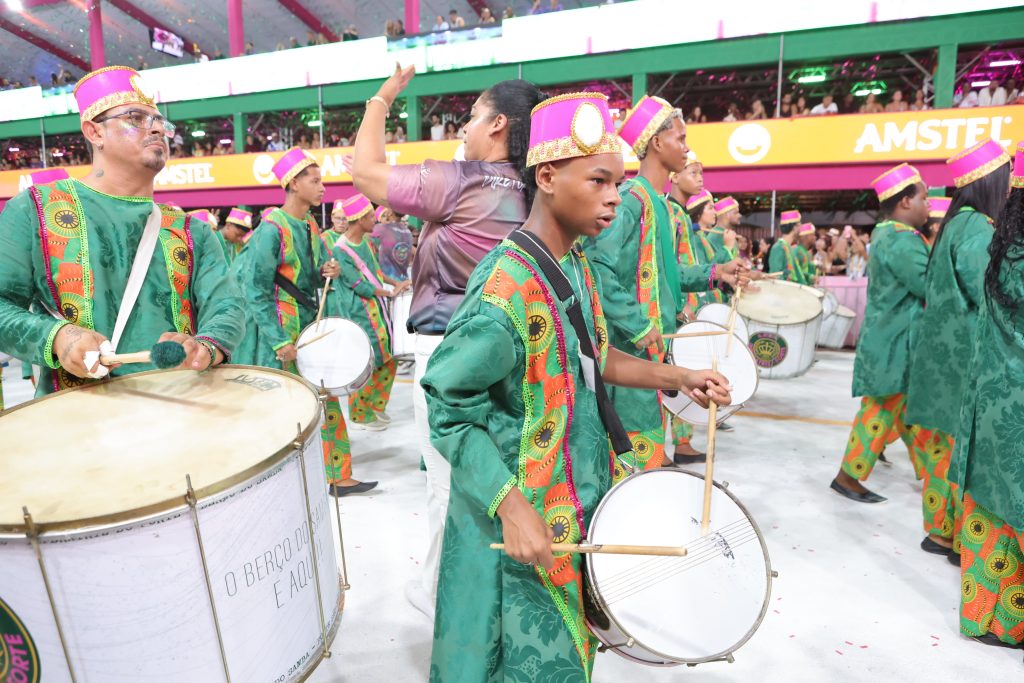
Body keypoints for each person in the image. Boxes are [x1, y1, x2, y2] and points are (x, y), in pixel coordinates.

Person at [421, 91, 732, 682]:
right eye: (598, 180)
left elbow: (595, 355)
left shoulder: (576, 262)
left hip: (576, 503)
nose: (615, 196)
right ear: (547, 176)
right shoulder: (503, 295)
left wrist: (678, 376)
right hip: (519, 520)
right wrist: (512, 509)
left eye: (617, 181)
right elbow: (447, 406)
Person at [351, 64, 545, 618]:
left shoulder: (465, 182)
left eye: (472, 116)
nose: (463, 128)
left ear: (499, 125)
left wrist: (382, 97)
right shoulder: (535, 193)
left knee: (448, 485)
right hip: (515, 354)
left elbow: (366, 172)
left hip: (449, 358)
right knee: (499, 477)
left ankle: (444, 594)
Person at [0, 66, 244, 394]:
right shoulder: (35, 210)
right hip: (75, 421)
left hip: (181, 416)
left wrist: (205, 347)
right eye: (136, 118)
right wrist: (58, 336)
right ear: (94, 132)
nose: (156, 128)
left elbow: (227, 305)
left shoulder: (192, 231)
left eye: (160, 122)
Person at [587, 94, 746, 477]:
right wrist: (638, 324)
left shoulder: (659, 205)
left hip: (654, 355)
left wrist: (715, 274)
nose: (687, 147)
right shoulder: (630, 201)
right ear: (657, 143)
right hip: (629, 358)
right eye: (680, 137)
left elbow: (666, 273)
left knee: (649, 450)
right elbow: (596, 268)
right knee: (634, 459)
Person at [233, 147, 376, 497]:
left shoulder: (310, 224)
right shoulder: (271, 229)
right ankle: (277, 482)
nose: (322, 187)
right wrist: (277, 340)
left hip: (310, 326)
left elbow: (305, 277)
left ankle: (338, 475)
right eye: (314, 180)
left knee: (325, 398)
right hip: (284, 335)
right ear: (293, 184)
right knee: (284, 407)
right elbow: (256, 290)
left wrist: (327, 272)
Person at [905, 139, 1011, 558]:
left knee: (940, 448)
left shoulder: (957, 222)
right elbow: (989, 289)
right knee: (959, 453)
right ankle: (960, 539)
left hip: (941, 355)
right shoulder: (977, 228)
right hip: (963, 356)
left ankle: (941, 531)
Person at [950, 141, 1024, 650]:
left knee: (989, 505)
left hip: (992, 394)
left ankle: (986, 617)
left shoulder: (1006, 244)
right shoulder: (980, 233)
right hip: (1009, 391)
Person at [831, 163, 932, 503]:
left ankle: (934, 474)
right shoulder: (903, 241)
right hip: (895, 344)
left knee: (909, 414)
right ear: (905, 202)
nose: (929, 205)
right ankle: (848, 476)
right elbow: (928, 285)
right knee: (879, 412)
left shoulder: (886, 234)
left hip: (891, 341)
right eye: (924, 197)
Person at [332, 193, 410, 432]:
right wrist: (389, 293)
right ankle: (359, 414)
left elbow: (374, 273)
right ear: (358, 219)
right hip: (359, 312)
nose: (374, 220)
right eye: (369, 216)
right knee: (366, 362)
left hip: (376, 308)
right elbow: (359, 285)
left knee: (388, 357)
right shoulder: (340, 250)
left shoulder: (364, 242)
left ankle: (376, 404)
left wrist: (396, 284)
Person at [768, 210, 805, 283]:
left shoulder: (788, 247)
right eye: (799, 225)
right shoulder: (778, 247)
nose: (801, 228)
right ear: (794, 228)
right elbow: (776, 275)